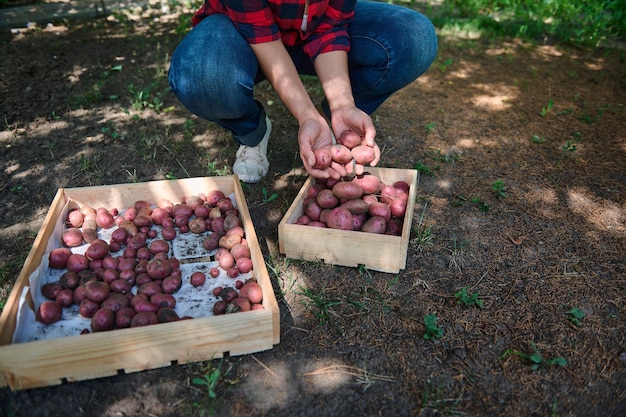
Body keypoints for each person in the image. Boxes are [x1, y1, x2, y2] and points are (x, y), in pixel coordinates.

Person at [168, 0, 437, 183]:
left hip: (307, 30)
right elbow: (263, 38)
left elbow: (330, 28)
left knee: (414, 38)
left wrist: (342, 104)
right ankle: (252, 131)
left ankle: (331, 119)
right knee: (201, 74)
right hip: (242, 35)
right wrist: (304, 114)